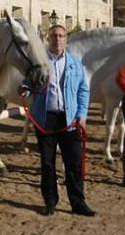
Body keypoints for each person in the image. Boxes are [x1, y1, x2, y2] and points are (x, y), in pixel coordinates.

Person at [24, 24, 94, 216]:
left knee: (74, 163)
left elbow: (83, 90)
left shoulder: (75, 63)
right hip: (45, 119)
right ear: (48, 38)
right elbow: (27, 82)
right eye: (54, 35)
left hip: (69, 119)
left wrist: (82, 116)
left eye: (61, 36)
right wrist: (24, 89)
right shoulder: (40, 62)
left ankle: (78, 203)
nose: (58, 39)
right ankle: (50, 202)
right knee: (47, 163)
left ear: (66, 39)